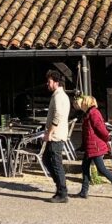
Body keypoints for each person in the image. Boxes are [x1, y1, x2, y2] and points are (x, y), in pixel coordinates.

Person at [75, 95, 112, 199]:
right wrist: (83, 146)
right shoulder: (88, 113)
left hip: (95, 146)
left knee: (101, 169)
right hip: (90, 146)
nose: (82, 103)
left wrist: (107, 137)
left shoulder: (94, 113)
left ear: (88, 103)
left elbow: (101, 129)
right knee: (85, 167)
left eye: (84, 101)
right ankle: (84, 191)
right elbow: (87, 133)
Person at [42, 69, 70, 202]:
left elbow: (58, 115)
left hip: (56, 135)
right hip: (55, 134)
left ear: (56, 82)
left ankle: (62, 192)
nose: (47, 84)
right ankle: (60, 188)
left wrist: (50, 132)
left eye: (49, 82)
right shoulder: (57, 95)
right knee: (47, 159)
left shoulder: (59, 96)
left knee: (55, 162)